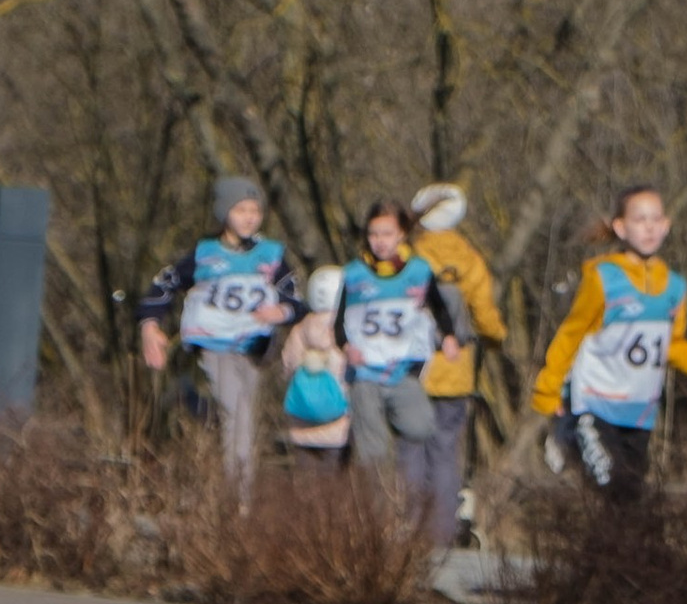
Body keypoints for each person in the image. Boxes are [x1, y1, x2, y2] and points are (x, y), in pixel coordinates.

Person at [530, 184, 687, 501]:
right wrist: (548, 389)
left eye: (656, 219)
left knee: (630, 498)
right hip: (595, 404)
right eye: (640, 219)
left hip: (640, 411)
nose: (649, 227)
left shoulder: (674, 287)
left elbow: (673, 347)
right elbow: (570, 334)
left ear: (667, 225)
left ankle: (607, 551)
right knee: (610, 486)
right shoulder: (603, 278)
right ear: (620, 227)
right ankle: (566, 435)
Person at [137, 178, 300, 490]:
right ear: (224, 212)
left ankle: (191, 402)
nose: (249, 217)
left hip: (253, 347)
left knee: (242, 417)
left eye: (255, 211)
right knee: (236, 414)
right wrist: (150, 326)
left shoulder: (272, 254)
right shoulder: (203, 254)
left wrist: (282, 311)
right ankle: (238, 499)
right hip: (214, 343)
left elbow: (295, 298)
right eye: (241, 210)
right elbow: (162, 286)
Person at [338, 202, 462, 501]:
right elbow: (338, 322)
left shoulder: (419, 271)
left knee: (421, 427)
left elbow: (440, 307)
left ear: (402, 235)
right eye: (373, 234)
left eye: (387, 234)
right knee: (375, 452)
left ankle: (386, 419)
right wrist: (346, 346)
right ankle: (379, 516)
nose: (380, 241)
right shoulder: (354, 274)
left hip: (402, 369)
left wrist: (448, 336)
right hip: (365, 372)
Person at [409, 184, 508, 549]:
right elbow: (484, 313)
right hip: (455, 370)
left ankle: (411, 529)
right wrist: (496, 337)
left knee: (411, 450)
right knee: (446, 453)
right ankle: (441, 533)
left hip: (410, 370)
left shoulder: (410, 254)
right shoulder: (468, 258)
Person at [279, 265, 354, 456]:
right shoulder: (348, 330)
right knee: (336, 483)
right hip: (339, 428)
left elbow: (287, 366)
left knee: (304, 482)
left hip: (300, 426)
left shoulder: (300, 329)